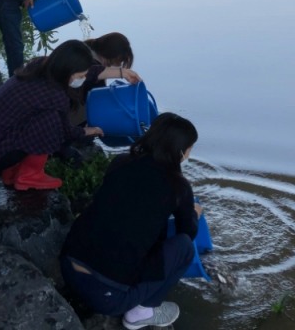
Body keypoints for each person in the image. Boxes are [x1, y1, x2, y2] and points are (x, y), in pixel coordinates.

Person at [59, 112, 201, 329]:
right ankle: (141, 312)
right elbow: (188, 232)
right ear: (181, 151)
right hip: (108, 297)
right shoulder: (178, 186)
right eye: (190, 148)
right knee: (184, 247)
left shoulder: (121, 161)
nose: (190, 153)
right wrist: (193, 213)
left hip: (68, 267)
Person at [0, 40, 104, 190]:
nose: (83, 79)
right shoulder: (56, 94)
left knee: (35, 117)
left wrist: (121, 72)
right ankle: (29, 175)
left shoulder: (40, 66)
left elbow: (88, 73)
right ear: (69, 70)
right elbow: (66, 132)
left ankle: (12, 171)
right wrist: (89, 131)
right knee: (51, 121)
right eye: (81, 75)